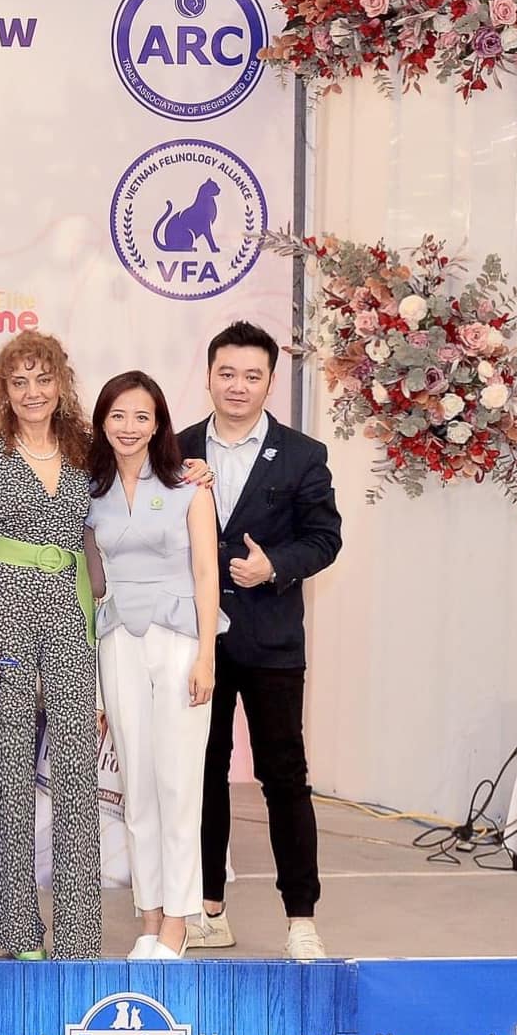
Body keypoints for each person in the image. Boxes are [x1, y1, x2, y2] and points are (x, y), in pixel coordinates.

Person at [179, 321, 343, 959]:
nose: (238, 386)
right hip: (197, 642)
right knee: (203, 773)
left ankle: (301, 918)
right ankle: (208, 908)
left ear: (270, 381)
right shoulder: (175, 449)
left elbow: (324, 538)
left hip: (272, 641)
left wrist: (274, 565)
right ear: (209, 375)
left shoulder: (303, 454)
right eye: (227, 373)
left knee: (284, 777)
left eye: (252, 376)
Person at [0, 330, 101, 960]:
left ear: (61, 384)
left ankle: (78, 935)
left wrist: (193, 471)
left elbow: (144, 474)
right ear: (4, 391)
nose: (33, 392)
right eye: (20, 382)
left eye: (43, 379)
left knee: (75, 770)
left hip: (70, 610)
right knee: (7, 774)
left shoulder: (86, 452)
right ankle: (13, 931)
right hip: (5, 612)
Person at [85, 371, 224, 958]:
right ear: (102, 422)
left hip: (181, 641)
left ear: (158, 424)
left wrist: (207, 657)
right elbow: (91, 582)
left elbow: (207, 573)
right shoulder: (90, 492)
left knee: (178, 783)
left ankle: (179, 920)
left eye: (141, 416)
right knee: (136, 785)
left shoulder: (190, 485)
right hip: (118, 640)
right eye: (117, 415)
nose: (128, 426)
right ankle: (149, 917)